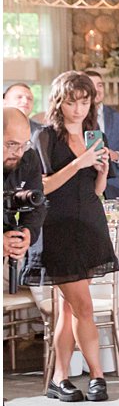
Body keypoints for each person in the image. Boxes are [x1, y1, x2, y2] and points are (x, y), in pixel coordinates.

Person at [25, 71, 116, 403]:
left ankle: (59, 379)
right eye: (71, 101)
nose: (78, 108)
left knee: (69, 310)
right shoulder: (45, 136)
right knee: (84, 306)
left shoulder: (95, 135)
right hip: (58, 229)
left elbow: (96, 191)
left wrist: (101, 173)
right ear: (58, 101)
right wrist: (79, 163)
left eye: (85, 100)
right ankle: (97, 376)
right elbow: (42, 186)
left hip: (90, 225)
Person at [4, 106, 46, 284]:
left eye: (24, 144)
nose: (19, 153)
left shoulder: (28, 158)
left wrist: (28, 232)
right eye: (11, 144)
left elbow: (37, 202)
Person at [83, 70, 119, 200]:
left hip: (115, 186)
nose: (97, 90)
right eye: (91, 85)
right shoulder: (76, 118)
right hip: (85, 185)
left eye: (100, 85)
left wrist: (115, 155)